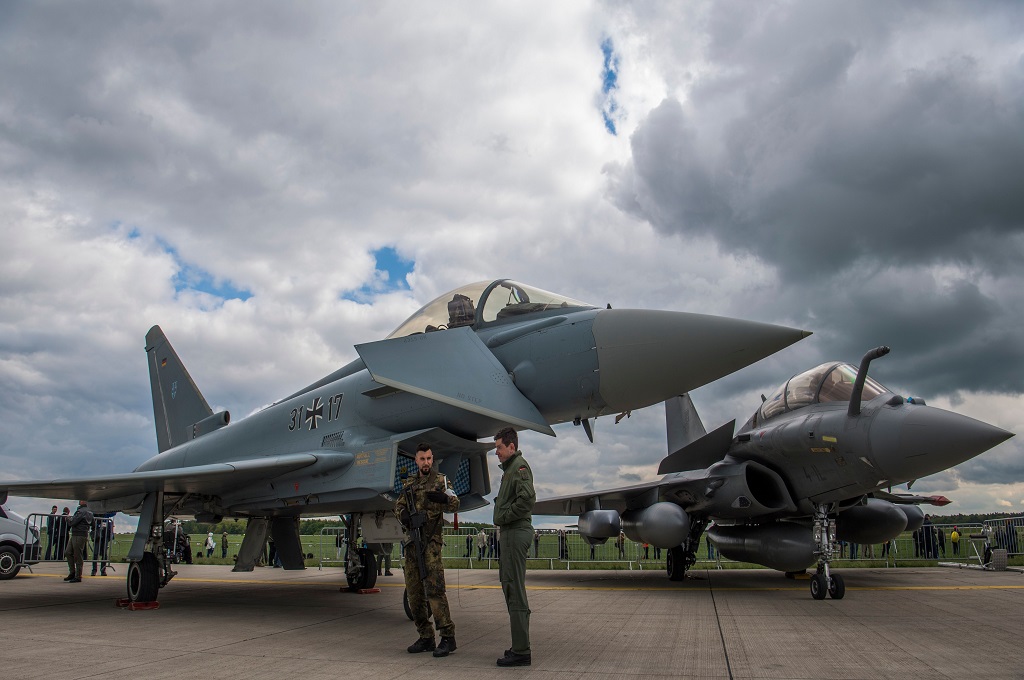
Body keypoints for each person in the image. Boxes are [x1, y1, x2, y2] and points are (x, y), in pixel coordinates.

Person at [395, 443, 460, 657]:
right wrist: (404, 515)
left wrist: (445, 499)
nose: (426, 462)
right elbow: (398, 506)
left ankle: (448, 637)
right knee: (414, 594)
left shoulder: (441, 481)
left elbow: (455, 503)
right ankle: (425, 636)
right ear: (416, 460)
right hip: (412, 544)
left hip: (431, 544)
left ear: (432, 459)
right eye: (422, 459)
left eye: (429, 458)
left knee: (435, 590)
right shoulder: (409, 483)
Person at [492, 426, 535, 667]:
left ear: (511, 446)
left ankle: (521, 651)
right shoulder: (510, 469)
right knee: (510, 586)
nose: (496, 452)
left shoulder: (519, 467)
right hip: (511, 533)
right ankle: (519, 645)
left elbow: (527, 499)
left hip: (515, 531)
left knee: (514, 589)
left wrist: (505, 516)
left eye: (499, 447)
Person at [65, 500, 93, 583]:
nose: (79, 501)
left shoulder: (81, 511)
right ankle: (73, 573)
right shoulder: (90, 511)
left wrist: (68, 518)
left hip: (78, 534)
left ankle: (77, 575)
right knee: (68, 552)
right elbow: (93, 522)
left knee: (77, 555)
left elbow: (73, 522)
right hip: (80, 534)